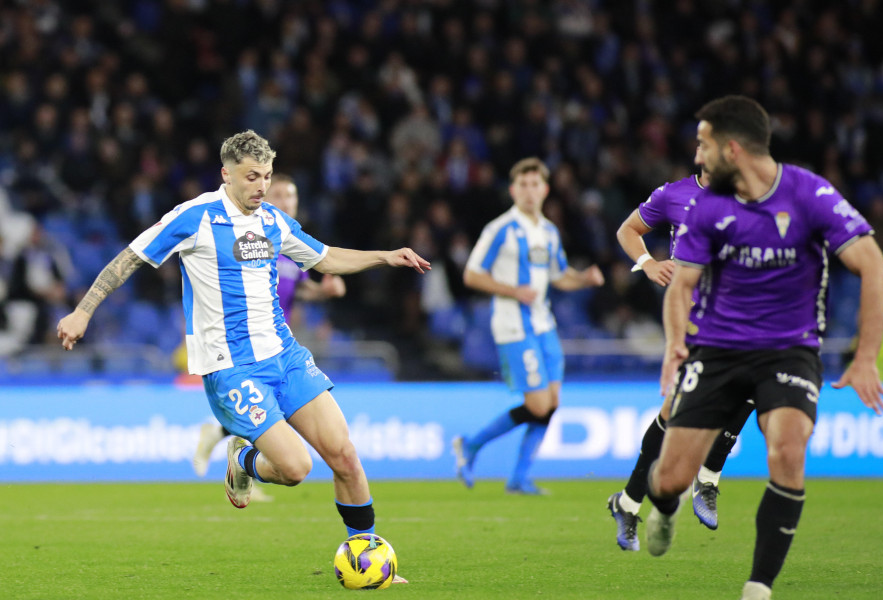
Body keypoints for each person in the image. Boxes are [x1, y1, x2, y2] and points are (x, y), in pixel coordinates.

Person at [57, 131, 428, 578]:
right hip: (232, 369)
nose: (261, 186)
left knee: (344, 455)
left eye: (267, 176)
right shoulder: (195, 217)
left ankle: (365, 554)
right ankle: (243, 459)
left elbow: (324, 258)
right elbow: (130, 258)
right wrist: (83, 311)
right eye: (252, 176)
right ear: (226, 174)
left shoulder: (273, 220)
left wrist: (386, 256)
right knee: (295, 469)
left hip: (285, 356)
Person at [644, 96, 883, 600]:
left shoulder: (810, 194)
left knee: (787, 449)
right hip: (715, 350)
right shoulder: (707, 207)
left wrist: (865, 357)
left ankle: (758, 587)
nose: (697, 158)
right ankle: (664, 509)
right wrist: (675, 344)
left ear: (732, 149)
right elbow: (682, 285)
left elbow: (875, 268)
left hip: (789, 350)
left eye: (703, 145)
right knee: (670, 479)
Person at [607, 167, 755, 551]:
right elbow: (628, 229)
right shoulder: (674, 194)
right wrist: (647, 264)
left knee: (754, 384)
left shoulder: (752, 195)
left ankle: (706, 478)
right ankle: (628, 503)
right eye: (703, 141)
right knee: (675, 412)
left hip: (739, 316)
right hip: (693, 319)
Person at [451, 157, 605, 495]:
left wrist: (584, 278)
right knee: (537, 405)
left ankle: (519, 478)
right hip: (513, 326)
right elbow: (472, 274)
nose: (529, 191)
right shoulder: (500, 229)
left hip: (543, 324)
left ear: (545, 189)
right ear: (513, 190)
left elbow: (558, 276)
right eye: (523, 184)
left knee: (552, 403)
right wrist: (513, 290)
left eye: (535, 184)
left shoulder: (549, 231)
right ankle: (471, 445)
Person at [191, 173, 347, 487]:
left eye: (292, 196)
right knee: (276, 426)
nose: (286, 201)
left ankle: (236, 451)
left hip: (279, 347)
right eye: (279, 195)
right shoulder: (249, 241)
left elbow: (300, 290)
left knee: (280, 415)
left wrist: (325, 290)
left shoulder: (289, 246)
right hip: (242, 351)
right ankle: (238, 451)